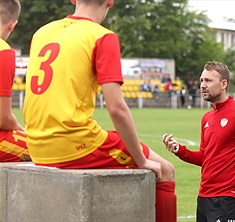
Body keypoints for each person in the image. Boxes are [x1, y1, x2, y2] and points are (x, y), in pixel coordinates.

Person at [22, 1, 176, 221]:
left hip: (35, 144)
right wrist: (140, 160)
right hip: (72, 144)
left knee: (110, 137)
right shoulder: (101, 36)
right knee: (166, 170)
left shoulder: (41, 32)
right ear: (110, 2)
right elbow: (117, 109)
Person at [163, 61, 235, 222]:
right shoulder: (207, 118)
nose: (203, 85)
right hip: (203, 198)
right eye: (202, 80)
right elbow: (205, 157)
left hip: (227, 200)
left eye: (208, 81)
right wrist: (179, 150)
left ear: (223, 84)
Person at [0, 0, 30, 162]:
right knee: (50, 147)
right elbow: (3, 119)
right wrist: (20, 129)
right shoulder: (3, 51)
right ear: (13, 25)